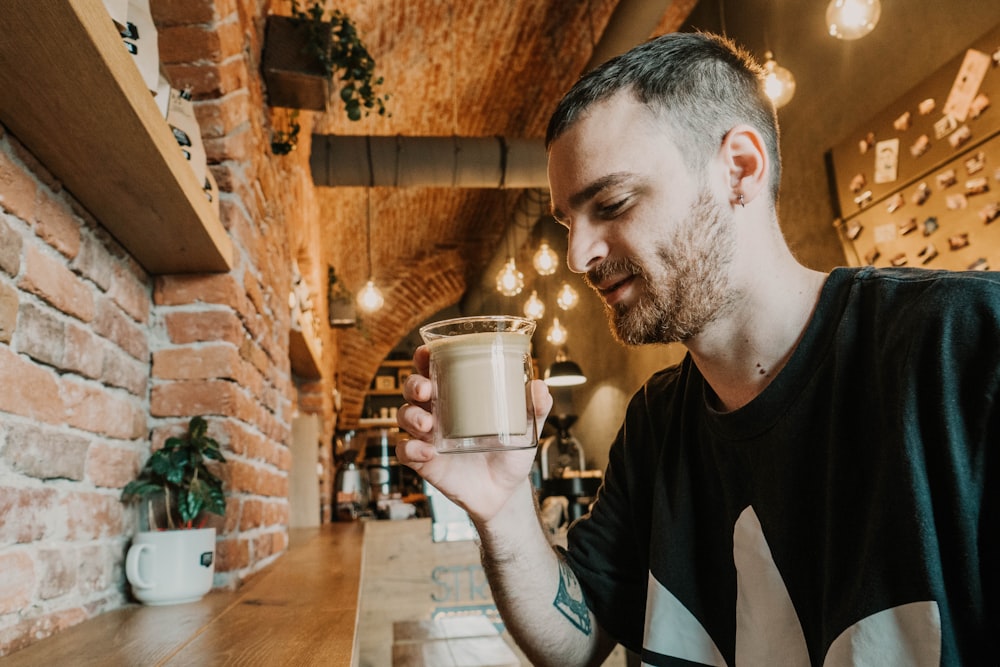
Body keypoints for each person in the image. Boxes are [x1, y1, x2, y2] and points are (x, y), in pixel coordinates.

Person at [396, 31, 998, 666]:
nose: (579, 257)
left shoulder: (963, 346)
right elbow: (577, 644)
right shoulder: (656, 423)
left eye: (612, 203)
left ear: (739, 168)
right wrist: (502, 508)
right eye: (570, 224)